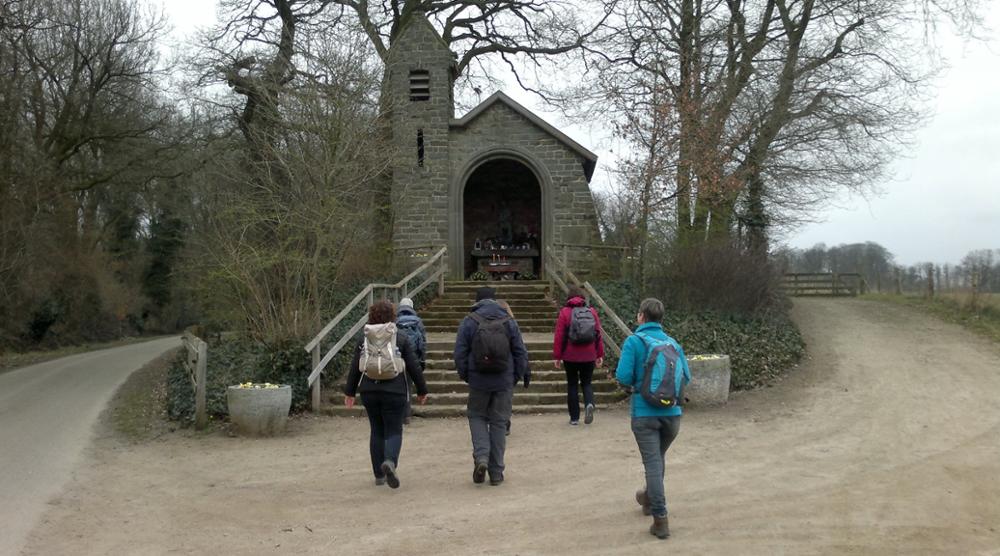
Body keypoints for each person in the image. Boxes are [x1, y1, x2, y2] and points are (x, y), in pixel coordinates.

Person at [614, 298, 691, 539]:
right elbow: (686, 377)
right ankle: (647, 499)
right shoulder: (673, 344)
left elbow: (623, 376)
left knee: (653, 464)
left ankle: (660, 519)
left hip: (644, 414)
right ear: (661, 318)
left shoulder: (634, 341)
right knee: (657, 460)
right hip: (672, 416)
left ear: (641, 317)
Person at [344, 301, 428, 489]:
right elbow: (414, 366)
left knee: (376, 430)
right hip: (394, 389)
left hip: (369, 389)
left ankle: (378, 475)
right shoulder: (400, 337)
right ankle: (390, 461)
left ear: (371, 316)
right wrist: (422, 390)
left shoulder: (364, 338)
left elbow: (354, 367)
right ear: (393, 316)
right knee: (394, 429)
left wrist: (350, 392)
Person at [454, 287, 529, 486]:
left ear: (477, 302)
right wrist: (515, 377)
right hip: (503, 380)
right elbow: (520, 351)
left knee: (476, 416)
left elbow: (460, 353)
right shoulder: (509, 321)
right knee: (498, 422)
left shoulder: (469, 321)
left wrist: (466, 375)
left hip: (479, 380)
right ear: (494, 300)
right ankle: (496, 473)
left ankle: (481, 458)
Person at [552, 285, 605, 425]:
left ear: (569, 298)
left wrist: (557, 356)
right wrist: (599, 354)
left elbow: (559, 336)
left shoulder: (564, 312)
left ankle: (574, 418)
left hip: (570, 356)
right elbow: (598, 334)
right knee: (587, 383)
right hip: (589, 355)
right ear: (583, 298)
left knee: (572, 384)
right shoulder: (591, 311)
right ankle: (589, 404)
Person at [396, 297, 427, 424]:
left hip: (397, 357)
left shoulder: (395, 321)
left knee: (397, 386)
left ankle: (397, 414)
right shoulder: (418, 321)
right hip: (413, 357)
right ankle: (407, 415)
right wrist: (422, 359)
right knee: (408, 386)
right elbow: (423, 342)